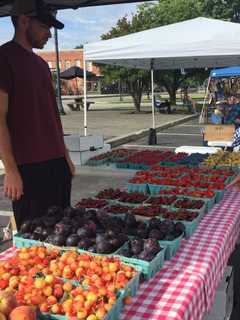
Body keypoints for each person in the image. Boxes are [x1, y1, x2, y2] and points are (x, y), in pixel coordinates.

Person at [0, 0, 75, 229]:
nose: (49, 35)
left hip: (56, 164)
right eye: (45, 27)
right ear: (24, 21)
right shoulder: (4, 58)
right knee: (34, 239)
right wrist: (11, 170)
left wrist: (66, 156)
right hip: (28, 168)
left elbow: (52, 116)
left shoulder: (42, 64)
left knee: (63, 233)